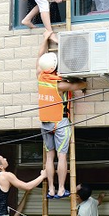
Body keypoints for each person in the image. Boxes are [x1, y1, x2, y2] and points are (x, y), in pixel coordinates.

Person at [37, 30, 87, 199]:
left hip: (45, 123)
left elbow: (39, 58)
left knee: (50, 157)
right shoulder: (60, 85)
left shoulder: (40, 77)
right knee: (62, 155)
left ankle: (50, 189)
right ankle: (60, 189)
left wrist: (45, 40)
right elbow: (80, 84)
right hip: (60, 122)